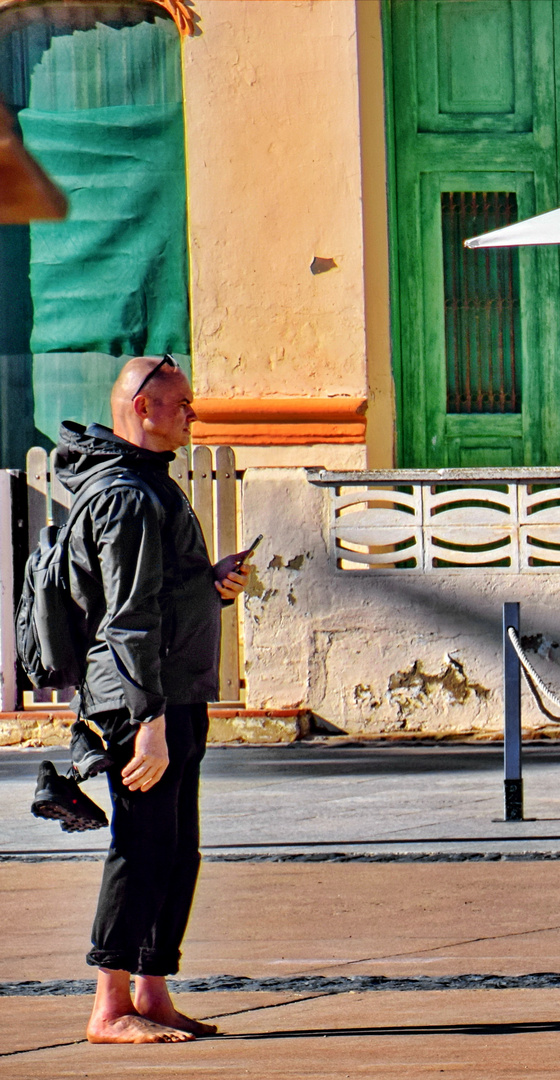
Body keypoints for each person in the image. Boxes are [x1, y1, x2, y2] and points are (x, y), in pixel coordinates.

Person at [53, 356, 247, 1043]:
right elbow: (127, 620)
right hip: (141, 704)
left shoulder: (151, 487)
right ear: (144, 408)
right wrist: (149, 724)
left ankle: (152, 991)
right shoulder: (129, 497)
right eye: (183, 403)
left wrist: (208, 581)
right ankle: (109, 1006)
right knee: (140, 846)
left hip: (173, 694)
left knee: (176, 848)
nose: (194, 413)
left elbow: (156, 595)